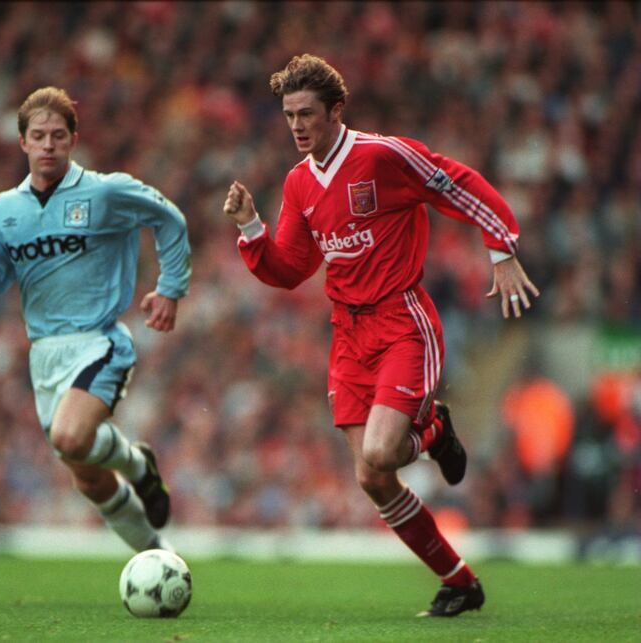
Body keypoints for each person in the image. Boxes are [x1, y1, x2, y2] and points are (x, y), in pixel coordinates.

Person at [223, 54, 539, 617]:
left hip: (401, 323)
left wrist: (501, 246)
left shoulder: (382, 156)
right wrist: (251, 227)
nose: (297, 126)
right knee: (372, 477)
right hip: (348, 335)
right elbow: (291, 268)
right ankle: (460, 582)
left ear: (336, 110)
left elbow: (456, 182)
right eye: (289, 115)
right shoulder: (299, 183)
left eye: (307, 113)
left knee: (381, 450)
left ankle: (434, 429)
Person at [0, 87, 191, 554]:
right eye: (38, 136)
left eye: (58, 135)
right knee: (88, 478)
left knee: (71, 436)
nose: (48, 145)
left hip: (99, 342)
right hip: (44, 355)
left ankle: (138, 468)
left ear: (74, 140)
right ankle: (157, 554)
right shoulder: (4, 211)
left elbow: (168, 219)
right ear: (22, 141)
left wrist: (171, 288)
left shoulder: (105, 192)